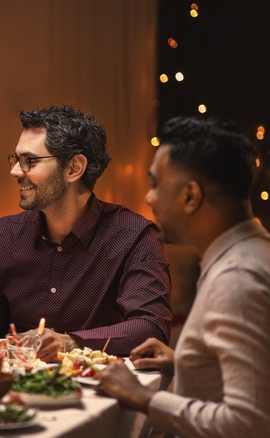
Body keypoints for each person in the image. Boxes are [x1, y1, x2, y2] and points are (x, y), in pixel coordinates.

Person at [0, 105, 172, 361]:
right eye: (16, 159)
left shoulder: (133, 236)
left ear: (74, 168)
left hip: (101, 391)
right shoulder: (6, 235)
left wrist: (71, 342)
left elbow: (150, 328)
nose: (15, 171)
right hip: (19, 389)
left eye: (29, 161)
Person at [97, 116, 270, 436]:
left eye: (155, 184)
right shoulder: (251, 252)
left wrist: (145, 398)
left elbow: (250, 424)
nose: (148, 198)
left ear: (191, 196)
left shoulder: (237, 278)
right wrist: (187, 363)